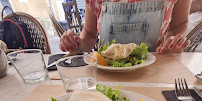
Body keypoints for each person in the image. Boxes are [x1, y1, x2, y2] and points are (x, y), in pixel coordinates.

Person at [59, 0, 192, 54]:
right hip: (106, 74)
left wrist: (173, 41)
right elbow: (89, 33)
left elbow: (179, 24)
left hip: (155, 71)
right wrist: (79, 45)